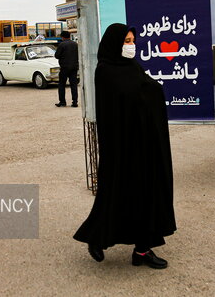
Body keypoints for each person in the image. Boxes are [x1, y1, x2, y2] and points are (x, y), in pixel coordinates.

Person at [73, 23, 176, 269]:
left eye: (132, 41)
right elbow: (120, 104)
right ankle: (96, 238)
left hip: (143, 145)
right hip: (120, 147)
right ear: (114, 43)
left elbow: (145, 91)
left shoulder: (132, 66)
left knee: (147, 194)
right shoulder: (105, 70)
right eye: (126, 41)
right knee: (116, 194)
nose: (130, 46)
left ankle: (142, 250)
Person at [54, 31, 78, 107]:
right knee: (73, 85)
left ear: (62, 37)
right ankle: (75, 102)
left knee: (61, 85)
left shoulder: (62, 44)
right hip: (74, 67)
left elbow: (57, 55)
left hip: (64, 67)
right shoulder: (75, 44)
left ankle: (62, 102)